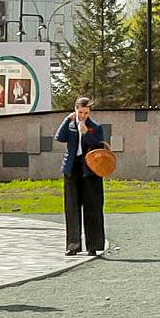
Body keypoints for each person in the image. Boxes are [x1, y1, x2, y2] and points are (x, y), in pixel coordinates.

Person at [53, 97, 108, 257]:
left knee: (93, 207)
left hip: (91, 169)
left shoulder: (95, 127)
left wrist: (86, 134)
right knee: (72, 207)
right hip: (72, 168)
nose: (83, 115)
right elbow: (59, 137)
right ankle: (73, 245)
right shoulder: (70, 124)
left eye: (86, 113)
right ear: (75, 110)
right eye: (80, 112)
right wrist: (66, 120)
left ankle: (94, 245)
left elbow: (99, 145)